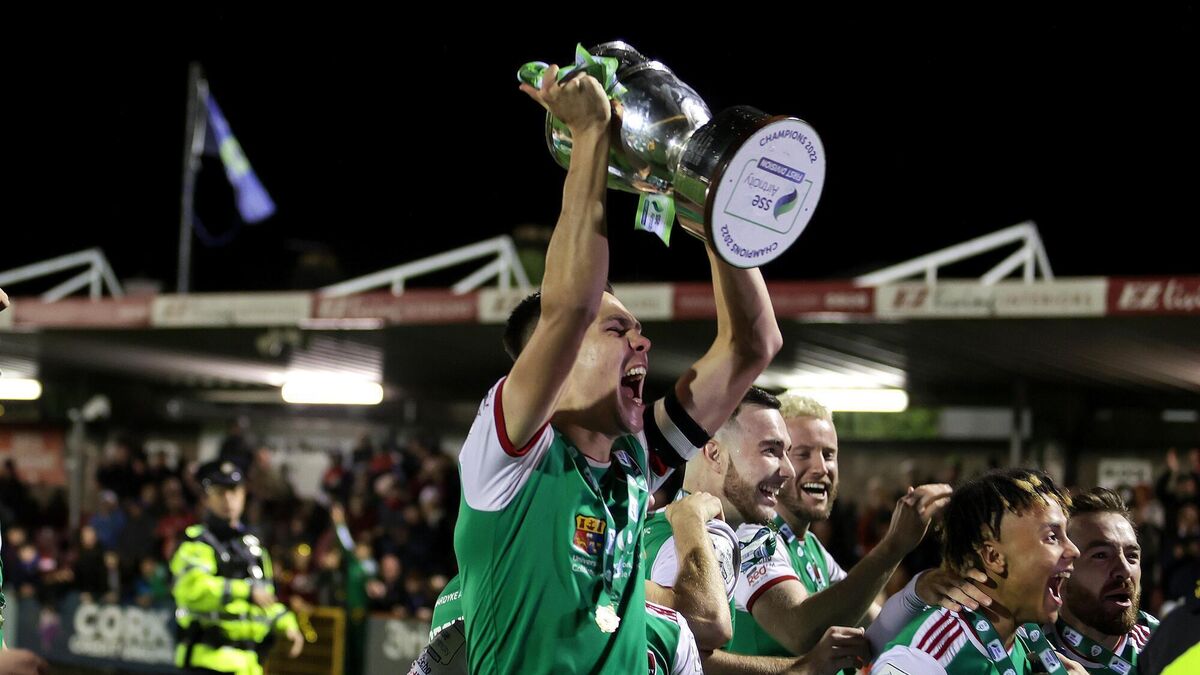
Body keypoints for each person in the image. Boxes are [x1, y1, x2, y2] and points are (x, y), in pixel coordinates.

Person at [453, 64, 782, 674]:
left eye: (638, 329)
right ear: (557, 352)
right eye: (617, 330)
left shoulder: (632, 462)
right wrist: (590, 137)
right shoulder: (509, 456)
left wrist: (716, 211)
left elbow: (752, 345)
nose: (643, 342)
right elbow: (571, 305)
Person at [726, 393, 950, 656]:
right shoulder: (753, 538)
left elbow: (874, 627)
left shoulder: (811, 546)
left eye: (829, 454)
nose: (821, 467)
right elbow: (800, 631)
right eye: (803, 454)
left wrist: (920, 590)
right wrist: (893, 545)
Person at [871, 468, 1081, 675]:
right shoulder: (920, 660)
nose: (1074, 550)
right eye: (1052, 537)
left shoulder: (1026, 643)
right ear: (993, 556)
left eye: (1067, 535)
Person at [170, 460, 304, 674]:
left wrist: (286, 624)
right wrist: (246, 591)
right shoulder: (196, 543)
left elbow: (265, 598)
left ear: (243, 495)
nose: (228, 499)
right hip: (208, 663)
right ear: (206, 498)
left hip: (248, 666)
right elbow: (192, 591)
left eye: (234, 491)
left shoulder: (254, 547)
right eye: (220, 493)